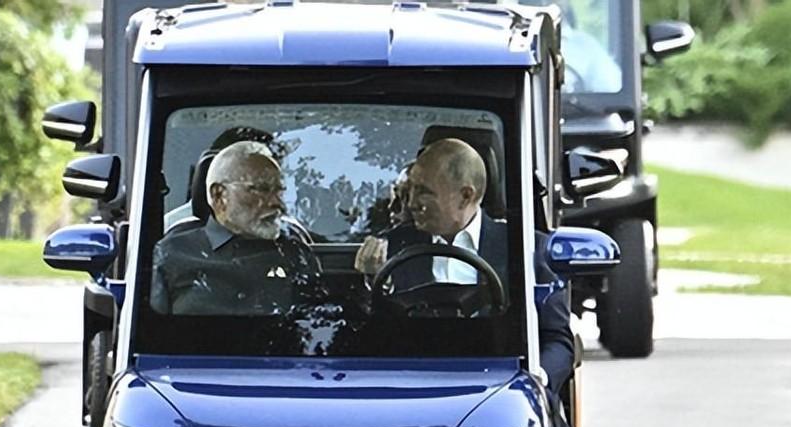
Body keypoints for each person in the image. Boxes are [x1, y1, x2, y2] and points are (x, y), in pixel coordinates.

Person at [354, 137, 575, 395]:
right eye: (410, 190)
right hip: (406, 386)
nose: (411, 203)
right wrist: (370, 281)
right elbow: (362, 333)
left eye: (424, 192)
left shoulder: (526, 249)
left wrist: (533, 384)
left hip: (498, 389)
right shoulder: (391, 247)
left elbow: (557, 340)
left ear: (465, 196)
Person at [150, 141, 323, 316]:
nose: (277, 203)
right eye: (261, 189)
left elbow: (315, 321)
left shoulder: (294, 252)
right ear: (219, 195)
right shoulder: (172, 253)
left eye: (279, 192)